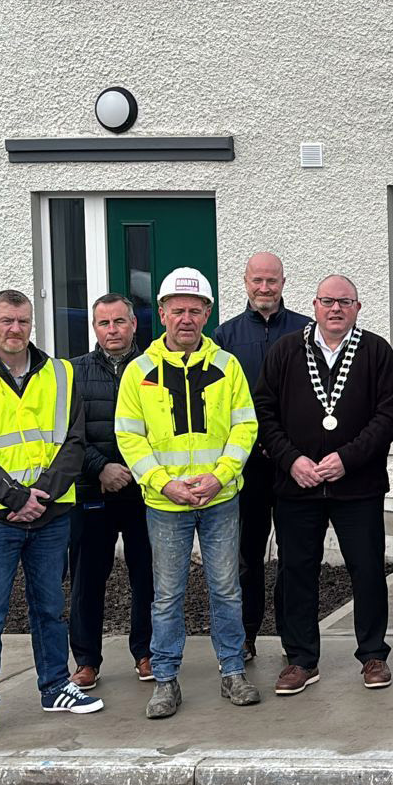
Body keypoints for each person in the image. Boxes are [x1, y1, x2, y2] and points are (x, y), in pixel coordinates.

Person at [0, 289, 100, 748]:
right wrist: (14, 496)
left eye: (24, 322)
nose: (16, 330)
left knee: (50, 608)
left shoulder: (61, 373)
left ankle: (54, 687)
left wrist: (44, 496)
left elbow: (75, 441)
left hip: (50, 515)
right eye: (7, 321)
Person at [116, 268, 264, 718]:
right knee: (167, 594)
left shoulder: (227, 366)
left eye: (194, 310)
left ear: (207, 314)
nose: (186, 318)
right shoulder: (139, 371)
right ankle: (164, 680)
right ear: (161, 313)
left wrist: (220, 475)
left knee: (226, 589)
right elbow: (130, 436)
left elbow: (245, 426)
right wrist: (165, 484)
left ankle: (233, 671)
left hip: (220, 500)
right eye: (177, 310)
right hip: (166, 504)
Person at [256, 274, 393, 695]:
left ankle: (373, 655)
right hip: (297, 487)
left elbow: (390, 414)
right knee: (296, 572)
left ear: (358, 308)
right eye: (327, 301)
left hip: (357, 486)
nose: (336, 308)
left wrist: (349, 458)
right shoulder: (286, 350)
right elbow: (263, 413)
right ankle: (301, 659)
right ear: (314, 305)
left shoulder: (376, 351)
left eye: (345, 302)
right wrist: (291, 460)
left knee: (368, 570)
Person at [214, 251, 313, 662]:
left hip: (292, 463)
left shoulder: (307, 331)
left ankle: (295, 643)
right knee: (246, 558)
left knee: (294, 558)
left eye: (272, 281)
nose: (264, 288)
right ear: (245, 282)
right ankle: (248, 636)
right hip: (245, 466)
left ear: (284, 283)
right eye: (257, 280)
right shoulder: (225, 336)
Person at [67, 294, 153, 690]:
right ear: (95, 329)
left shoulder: (154, 367)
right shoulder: (72, 374)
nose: (113, 330)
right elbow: (67, 435)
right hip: (92, 491)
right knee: (88, 579)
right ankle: (86, 660)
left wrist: (138, 470)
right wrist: (100, 467)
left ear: (134, 324)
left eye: (120, 321)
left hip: (146, 492)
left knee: (148, 577)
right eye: (104, 323)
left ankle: (147, 652)